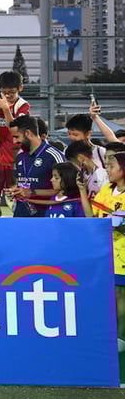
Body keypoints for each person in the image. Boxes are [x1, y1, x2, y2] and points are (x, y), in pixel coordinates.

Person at [78, 151, 125, 354]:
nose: (108, 169)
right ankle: (110, 334)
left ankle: (121, 338)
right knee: (109, 294)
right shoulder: (106, 190)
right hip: (106, 252)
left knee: (120, 294)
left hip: (122, 253)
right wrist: (81, 191)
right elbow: (92, 218)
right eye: (107, 164)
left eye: (112, 165)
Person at [0, 71, 30, 215]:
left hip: (14, 158)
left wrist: (6, 109)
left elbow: (15, 129)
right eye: (4, 92)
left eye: (11, 93)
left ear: (20, 88)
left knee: (14, 194)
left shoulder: (23, 106)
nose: (7, 96)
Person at [9, 115, 65, 217]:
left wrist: (32, 192)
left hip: (45, 215)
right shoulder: (20, 157)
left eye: (16, 137)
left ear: (28, 133)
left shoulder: (54, 156)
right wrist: (16, 189)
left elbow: (65, 191)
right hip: (21, 214)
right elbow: (23, 182)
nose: (14, 141)